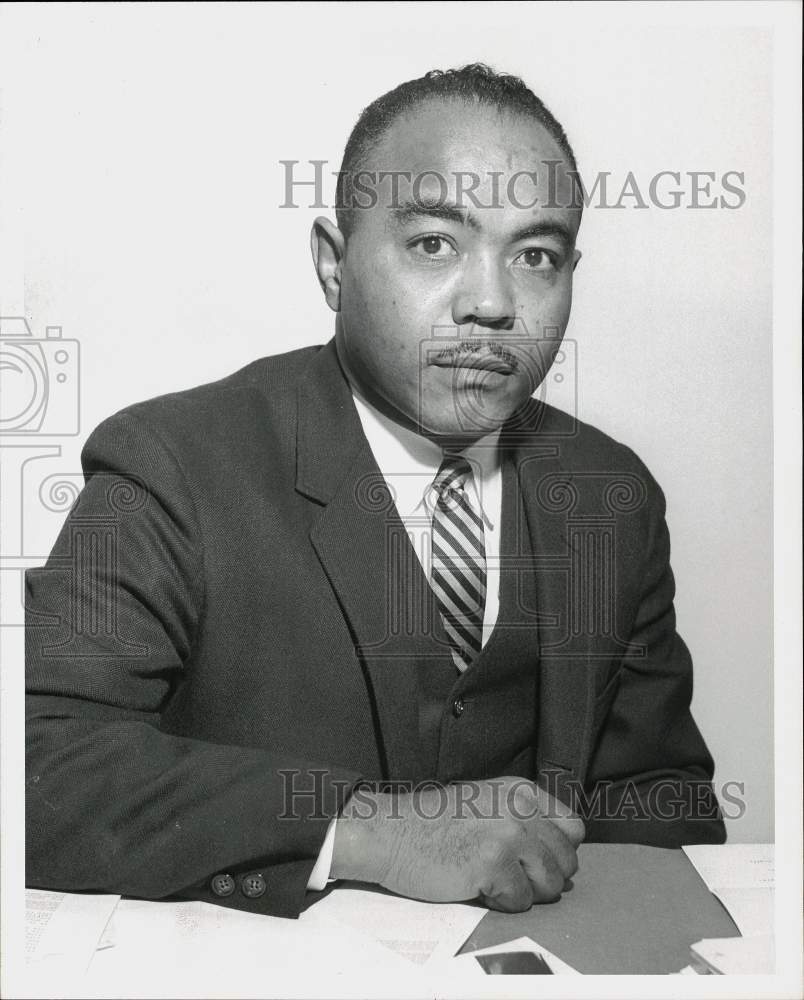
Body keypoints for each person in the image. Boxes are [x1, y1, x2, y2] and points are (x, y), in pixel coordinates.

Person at [25, 64, 725, 921]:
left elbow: (660, 803)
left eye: (536, 255)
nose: (493, 303)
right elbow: (33, 764)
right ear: (333, 264)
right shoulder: (169, 465)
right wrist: (374, 830)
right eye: (435, 243)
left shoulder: (610, 494)